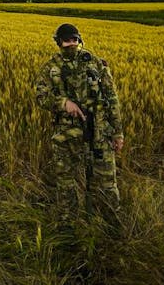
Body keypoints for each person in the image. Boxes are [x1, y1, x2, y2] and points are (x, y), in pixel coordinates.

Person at [35, 23, 124, 224]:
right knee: (66, 183)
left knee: (107, 182)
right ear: (58, 42)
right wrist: (63, 103)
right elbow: (40, 96)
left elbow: (112, 98)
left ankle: (112, 225)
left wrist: (118, 132)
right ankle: (69, 225)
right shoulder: (50, 67)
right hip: (66, 136)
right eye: (66, 40)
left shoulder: (95, 63)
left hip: (99, 133)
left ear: (80, 40)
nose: (71, 44)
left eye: (74, 40)